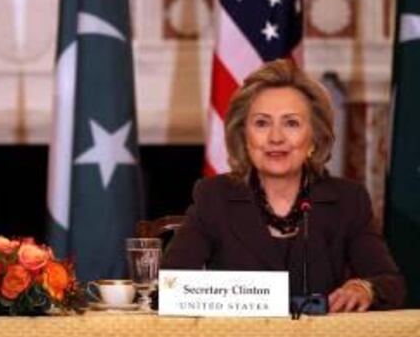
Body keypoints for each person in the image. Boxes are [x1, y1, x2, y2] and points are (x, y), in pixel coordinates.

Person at [163, 59, 405, 311]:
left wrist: (365, 288)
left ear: (314, 137)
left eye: (291, 123)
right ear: (244, 137)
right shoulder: (215, 197)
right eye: (262, 123)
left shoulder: (347, 200)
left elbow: (390, 283)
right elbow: (170, 284)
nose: (276, 137)